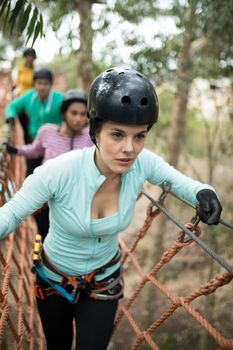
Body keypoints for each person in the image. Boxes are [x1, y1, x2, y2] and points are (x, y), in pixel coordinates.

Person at [0, 67, 222, 350]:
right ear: (95, 131)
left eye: (139, 136)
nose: (129, 148)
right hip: (53, 282)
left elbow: (179, 181)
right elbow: (12, 212)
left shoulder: (143, 164)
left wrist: (204, 193)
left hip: (104, 283)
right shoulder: (58, 172)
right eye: (117, 135)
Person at [4, 89, 93, 239]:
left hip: (74, 202)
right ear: (64, 113)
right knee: (43, 233)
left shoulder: (90, 137)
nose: (78, 119)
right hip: (47, 200)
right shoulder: (47, 132)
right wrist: (16, 150)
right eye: (74, 113)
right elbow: (35, 150)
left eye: (83, 114)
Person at [5, 67, 63, 175]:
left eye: (45, 84)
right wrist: (11, 116)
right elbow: (12, 106)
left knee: (52, 175)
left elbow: (68, 115)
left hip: (54, 144)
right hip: (34, 141)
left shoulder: (59, 99)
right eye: (39, 83)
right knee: (31, 174)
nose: (42, 87)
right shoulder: (29, 96)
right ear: (34, 84)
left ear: (51, 85)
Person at [12, 47, 37, 144]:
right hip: (22, 100)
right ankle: (27, 149)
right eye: (28, 56)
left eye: (32, 56)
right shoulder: (20, 70)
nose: (30, 58)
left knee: (32, 127)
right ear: (25, 57)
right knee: (24, 126)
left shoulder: (36, 71)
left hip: (33, 101)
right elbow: (16, 85)